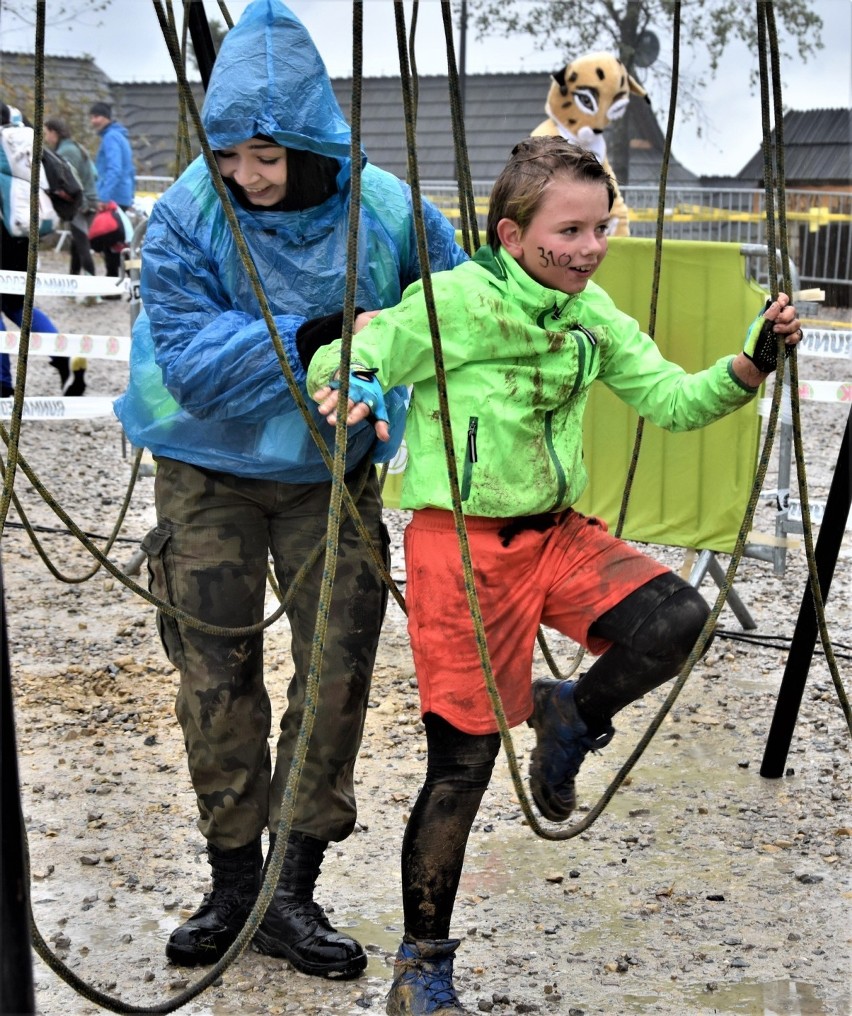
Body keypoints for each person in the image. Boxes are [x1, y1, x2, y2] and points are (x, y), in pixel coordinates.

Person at [308, 136, 803, 1014]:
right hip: (460, 549)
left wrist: (752, 361)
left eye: (600, 227)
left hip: (559, 536)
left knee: (678, 618)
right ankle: (423, 968)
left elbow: (671, 399)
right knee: (461, 765)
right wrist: (355, 384)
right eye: (569, 231)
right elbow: (363, 350)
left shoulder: (593, 315)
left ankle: (572, 712)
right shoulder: (453, 302)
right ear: (510, 233)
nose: (590, 247)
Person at [113, 0, 466, 980]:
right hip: (206, 465)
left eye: (264, 154)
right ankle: (232, 883)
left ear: (310, 135)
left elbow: (464, 311)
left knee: (338, 670)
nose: (245, 174)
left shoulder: (387, 211)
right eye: (228, 152)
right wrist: (318, 335)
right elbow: (189, 363)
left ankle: (291, 888)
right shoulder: (190, 210)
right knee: (216, 671)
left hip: (332, 473)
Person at [0, 101, 65, 396]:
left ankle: (2, 382)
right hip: (27, 235)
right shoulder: (25, 137)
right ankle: (62, 353)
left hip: (3, 234)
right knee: (17, 305)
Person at [44, 115, 99, 393]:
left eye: (46, 133)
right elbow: (94, 174)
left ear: (54, 131)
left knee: (82, 247)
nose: (46, 138)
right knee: (78, 249)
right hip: (90, 201)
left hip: (82, 204)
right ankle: (76, 287)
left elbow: (70, 180)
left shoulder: (64, 151)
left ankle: (92, 290)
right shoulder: (76, 146)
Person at [88, 100, 134, 279]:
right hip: (121, 195)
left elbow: (115, 169)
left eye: (97, 116)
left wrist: (104, 198)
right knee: (119, 242)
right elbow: (130, 169)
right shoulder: (120, 136)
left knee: (110, 241)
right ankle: (129, 281)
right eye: (91, 117)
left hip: (112, 197)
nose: (93, 121)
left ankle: (114, 282)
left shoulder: (111, 138)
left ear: (106, 118)